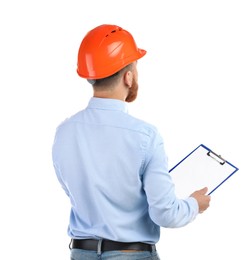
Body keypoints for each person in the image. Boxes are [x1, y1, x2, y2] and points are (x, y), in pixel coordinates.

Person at [52, 24, 211, 260]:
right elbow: (165, 214)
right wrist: (194, 204)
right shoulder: (145, 136)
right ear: (128, 76)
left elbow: (76, 192)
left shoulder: (64, 132)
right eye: (135, 68)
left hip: (80, 253)